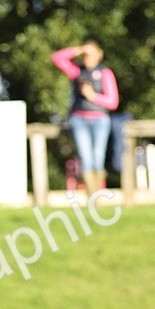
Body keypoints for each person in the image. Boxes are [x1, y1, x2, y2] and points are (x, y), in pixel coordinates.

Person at [51, 40, 119, 194]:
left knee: (97, 159)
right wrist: (78, 49)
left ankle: (99, 194)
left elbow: (113, 102)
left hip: (100, 120)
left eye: (91, 54)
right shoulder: (76, 71)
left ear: (98, 55)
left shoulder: (105, 73)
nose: (87, 57)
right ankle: (91, 196)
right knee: (85, 158)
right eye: (85, 55)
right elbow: (57, 58)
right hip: (79, 120)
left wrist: (93, 97)